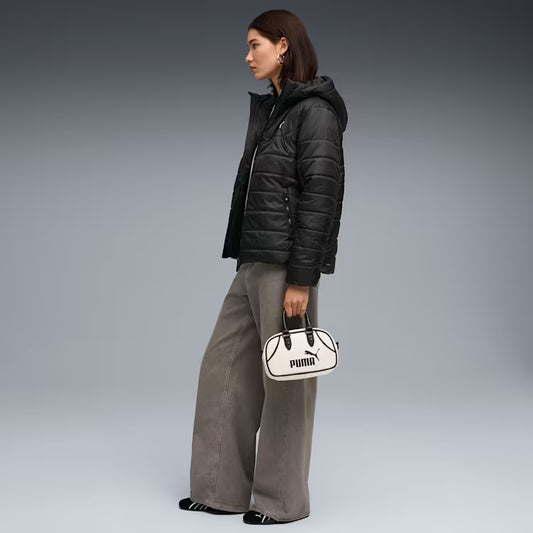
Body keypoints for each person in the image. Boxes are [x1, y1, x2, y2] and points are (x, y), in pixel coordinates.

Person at [179, 9, 347, 525]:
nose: (248, 55)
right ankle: (220, 489)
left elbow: (321, 198)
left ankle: (281, 501)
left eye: (256, 45)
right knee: (223, 368)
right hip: (253, 260)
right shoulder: (275, 110)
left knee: (287, 380)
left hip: (285, 267)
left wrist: (302, 278)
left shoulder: (314, 112)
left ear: (283, 46)